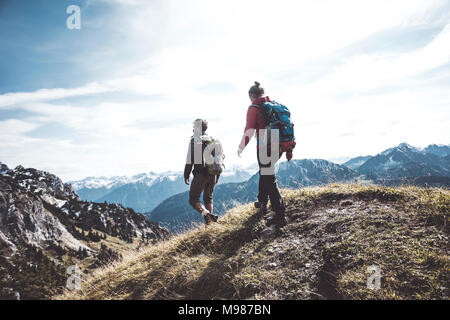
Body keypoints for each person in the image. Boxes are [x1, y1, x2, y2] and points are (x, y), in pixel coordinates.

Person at [237, 82, 293, 227]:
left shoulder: (254, 107)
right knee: (265, 173)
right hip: (279, 143)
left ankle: (280, 214)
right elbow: (286, 128)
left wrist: (241, 146)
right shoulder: (275, 106)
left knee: (269, 177)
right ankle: (262, 202)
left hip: (265, 144)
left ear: (252, 96)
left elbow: (249, 130)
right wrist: (288, 149)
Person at [184, 119, 221, 226]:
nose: (192, 129)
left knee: (193, 199)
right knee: (208, 198)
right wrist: (217, 175)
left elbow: (189, 159)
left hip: (201, 173)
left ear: (198, 128)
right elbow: (219, 158)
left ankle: (207, 214)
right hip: (213, 173)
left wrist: (186, 174)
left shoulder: (195, 140)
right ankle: (209, 224)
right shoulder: (214, 140)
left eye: (194, 126)